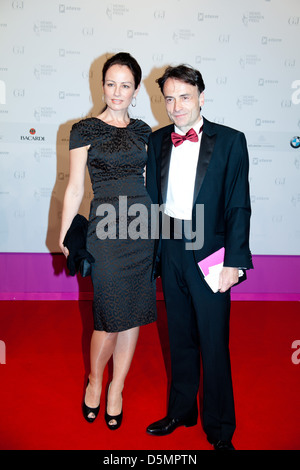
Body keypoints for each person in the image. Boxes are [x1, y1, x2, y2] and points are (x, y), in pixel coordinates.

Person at [145, 64, 253, 450]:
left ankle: (221, 430)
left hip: (212, 253)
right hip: (170, 247)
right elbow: (152, 202)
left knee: (213, 342)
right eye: (169, 98)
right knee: (180, 337)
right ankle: (181, 411)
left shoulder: (230, 141)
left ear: (201, 97)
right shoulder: (156, 141)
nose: (176, 106)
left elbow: (238, 206)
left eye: (184, 97)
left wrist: (235, 263)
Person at [59, 52, 156, 430]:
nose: (118, 92)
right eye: (111, 84)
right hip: (106, 232)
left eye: (126, 85)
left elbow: (155, 183)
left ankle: (117, 388)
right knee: (107, 319)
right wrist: (66, 235)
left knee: (132, 318)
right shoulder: (85, 129)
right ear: (102, 86)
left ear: (135, 90)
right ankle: (96, 380)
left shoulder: (145, 131)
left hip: (142, 231)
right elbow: (74, 188)